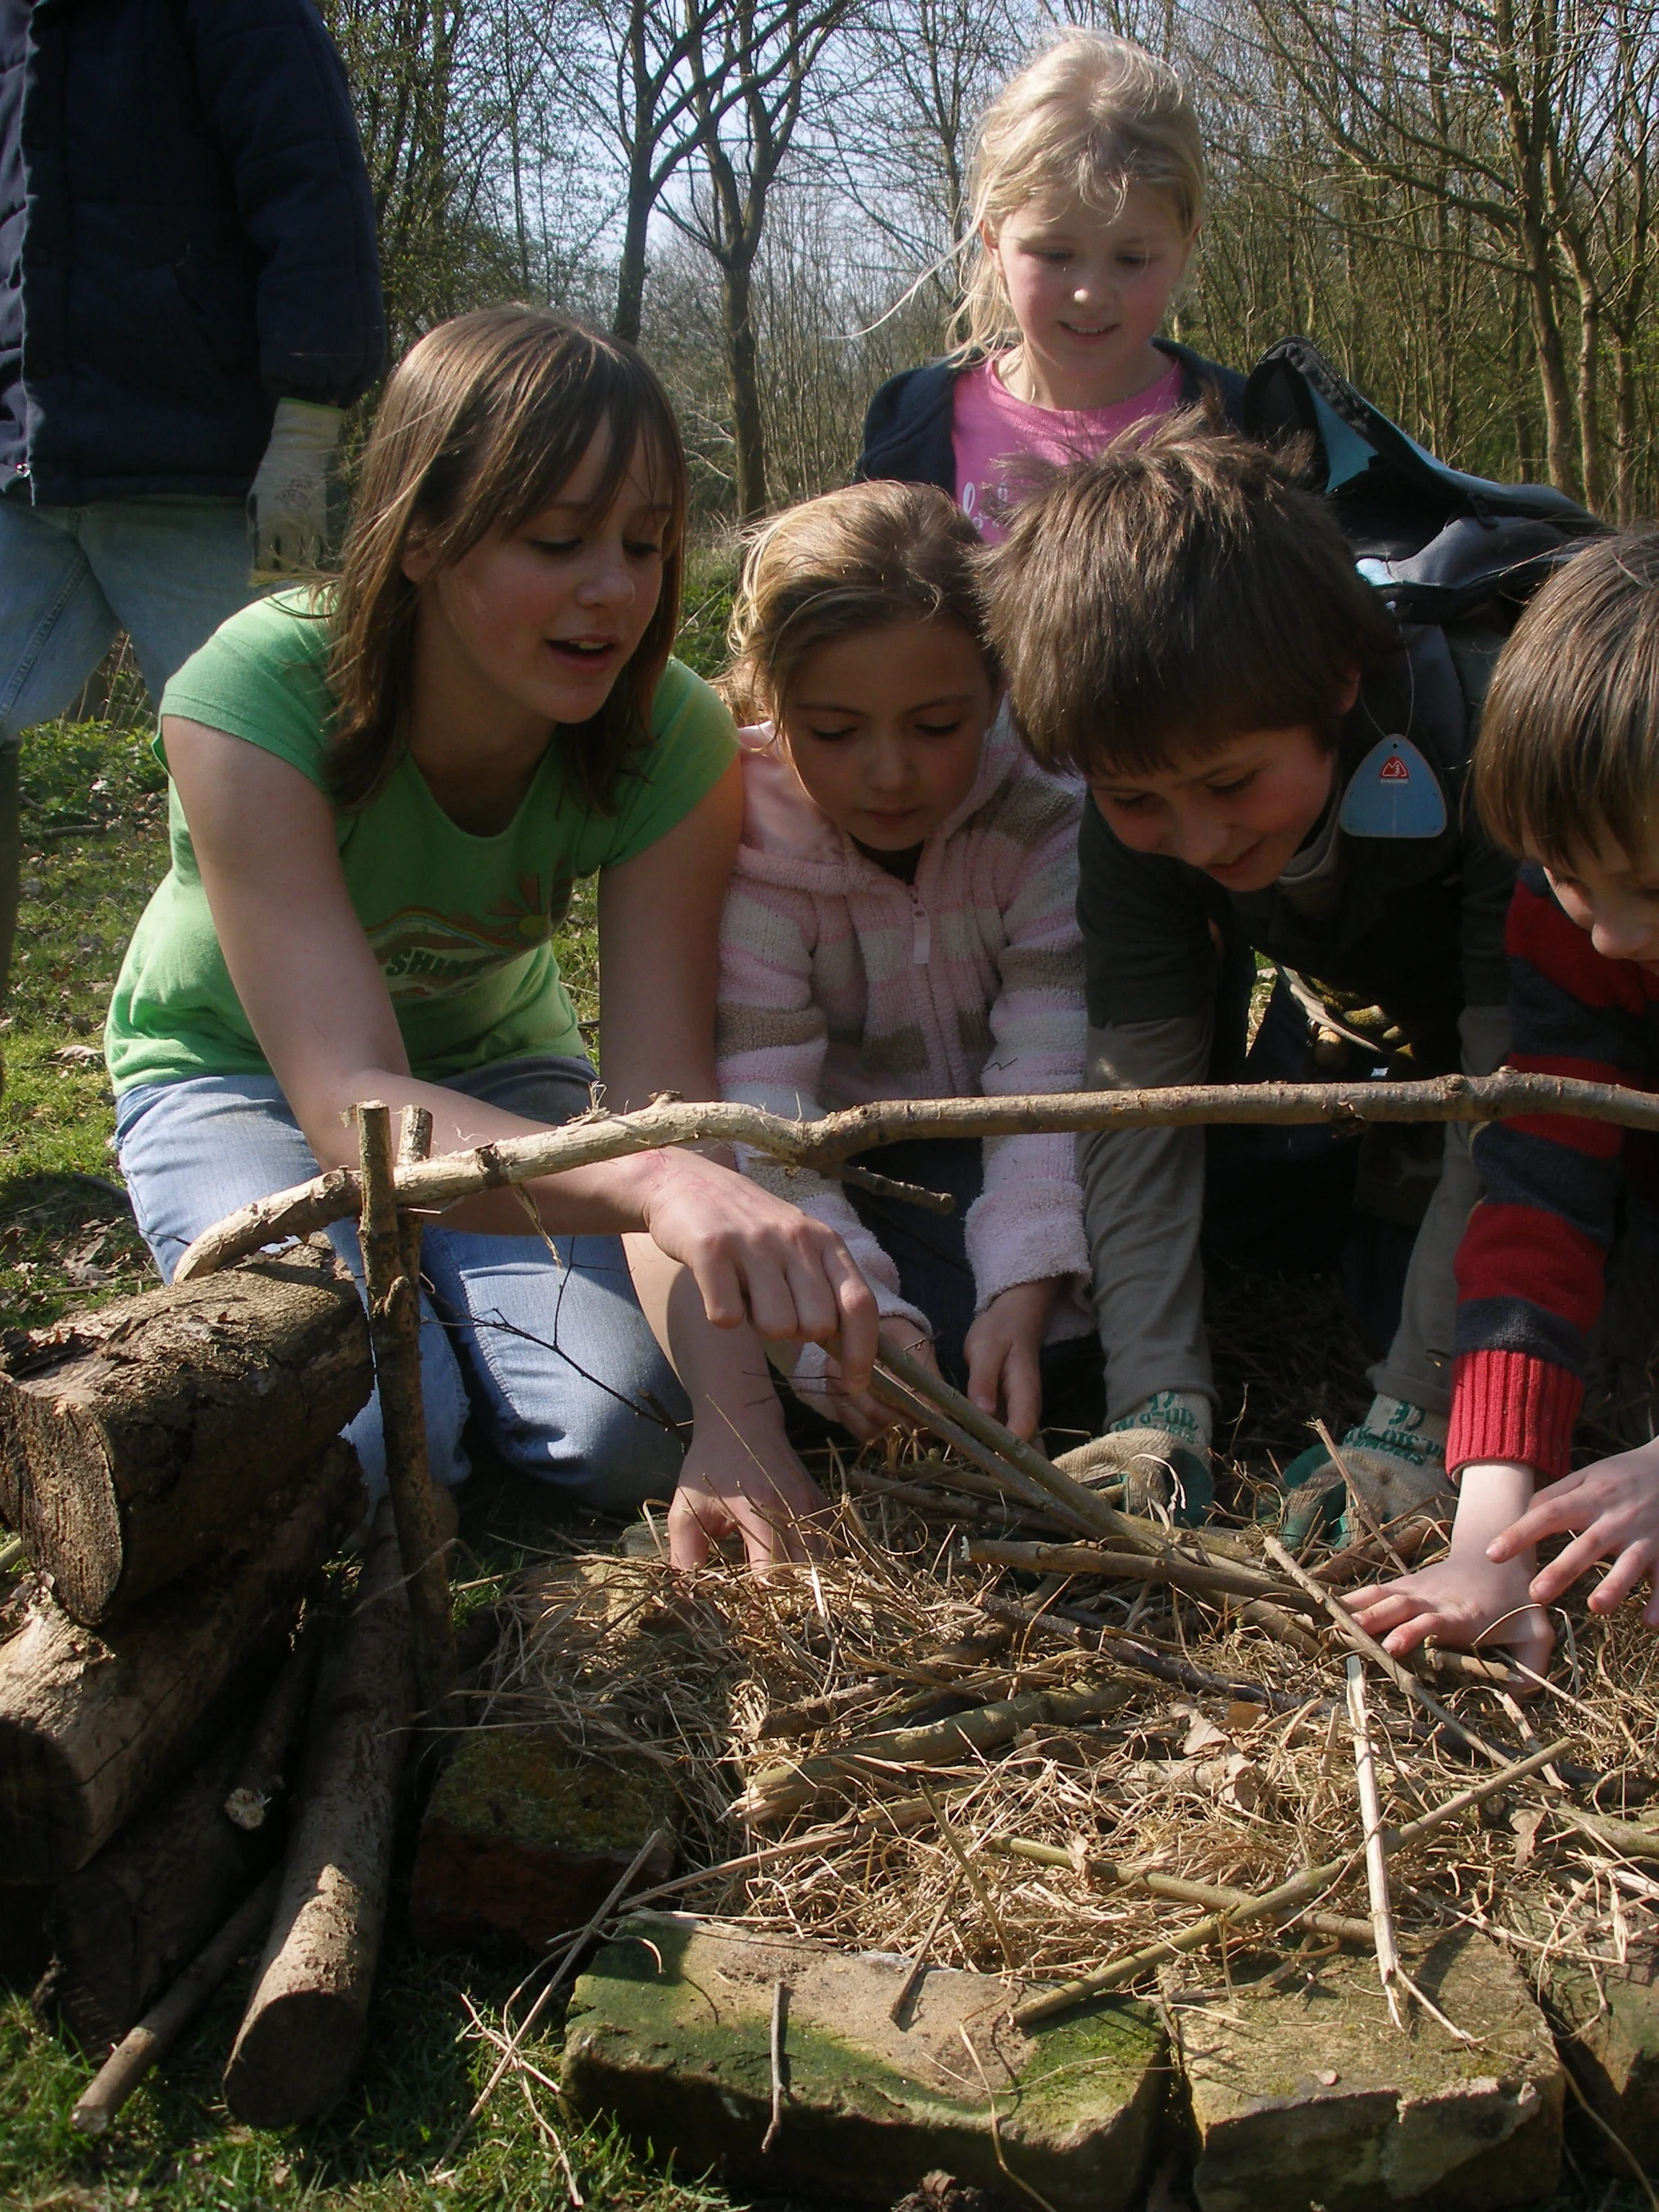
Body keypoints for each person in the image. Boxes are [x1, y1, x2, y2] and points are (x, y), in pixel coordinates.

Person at [104, 307, 876, 1573]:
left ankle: (470, 1326)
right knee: (363, 1448)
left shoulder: (664, 741)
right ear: (417, 533)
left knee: (633, 1427)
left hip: (495, 1073)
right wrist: (655, 1176)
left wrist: (740, 1426)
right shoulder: (249, 695)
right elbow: (343, 1104)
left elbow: (655, 1105)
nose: (615, 591)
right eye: (555, 539)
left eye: (643, 543)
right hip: (234, 1078)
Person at [977, 422, 1516, 1524]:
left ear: (1335, 683)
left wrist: (1417, 1416)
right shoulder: (1135, 817)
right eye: (1136, 799)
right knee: (1260, 1235)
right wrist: (1154, 1407)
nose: (1199, 836)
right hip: (1375, 1038)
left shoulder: (1492, 738)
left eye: (1230, 782)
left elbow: (1514, 1099)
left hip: (1566, 1049)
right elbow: (1143, 1101)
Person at [0, 0, 385, 1027]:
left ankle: (341, 1070)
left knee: (288, 764)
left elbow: (312, 183)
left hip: (200, 461)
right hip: (17, 464)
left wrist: (308, 422)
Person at [716, 480, 1093, 1446]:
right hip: (859, 1173)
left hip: (1023, 1150)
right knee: (842, 1329)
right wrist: (851, 1314)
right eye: (835, 733)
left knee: (1066, 1310)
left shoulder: (1044, 812)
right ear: (769, 699)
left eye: (936, 727)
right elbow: (767, 1120)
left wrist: (1026, 1277)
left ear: (999, 686)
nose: (889, 774)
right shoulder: (747, 850)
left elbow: (1048, 1074)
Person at [1346, 533, 1659, 1672]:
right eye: (1571, 875)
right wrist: (1491, 1541)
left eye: (1655, 891)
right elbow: (1545, 1187)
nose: (1612, 934)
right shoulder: (1570, 916)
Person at [855, 30, 1242, 539]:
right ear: (993, 240)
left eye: (1132, 258)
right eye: (1055, 254)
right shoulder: (907, 430)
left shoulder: (1249, 427)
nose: (1091, 292)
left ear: (1186, 247)